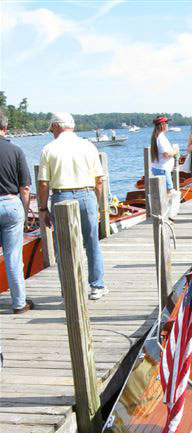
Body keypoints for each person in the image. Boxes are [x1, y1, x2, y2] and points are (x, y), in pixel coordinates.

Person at [37, 112, 108, 300]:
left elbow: (43, 183)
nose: (51, 131)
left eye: (52, 128)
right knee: (92, 242)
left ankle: (69, 290)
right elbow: (99, 180)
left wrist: (43, 208)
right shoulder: (88, 146)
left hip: (61, 196)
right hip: (87, 195)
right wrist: (98, 204)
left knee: (63, 247)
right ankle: (97, 286)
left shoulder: (48, 149)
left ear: (57, 126)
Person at [0, 109, 34, 313]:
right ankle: (19, 303)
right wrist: (26, 208)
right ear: (5, 128)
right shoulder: (16, 151)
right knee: (13, 256)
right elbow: (25, 187)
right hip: (11, 204)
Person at [150, 115, 179, 196]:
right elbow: (166, 154)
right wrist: (175, 151)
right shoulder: (160, 138)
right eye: (167, 123)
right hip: (163, 170)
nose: (168, 125)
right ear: (162, 125)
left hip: (159, 168)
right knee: (170, 193)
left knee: (164, 194)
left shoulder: (157, 137)